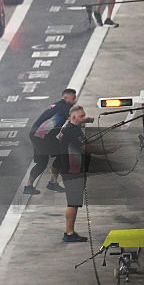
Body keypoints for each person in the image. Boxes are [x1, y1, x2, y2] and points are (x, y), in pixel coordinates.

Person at [23, 88, 77, 195]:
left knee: (43, 161)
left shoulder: (59, 105)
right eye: (72, 97)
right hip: (41, 135)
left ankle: (30, 186)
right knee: (59, 155)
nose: (75, 99)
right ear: (65, 97)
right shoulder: (64, 108)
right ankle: (52, 183)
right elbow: (56, 124)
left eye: (75, 97)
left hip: (37, 134)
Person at [56, 104, 90, 243]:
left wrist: (87, 120)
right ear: (74, 117)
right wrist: (108, 150)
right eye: (82, 116)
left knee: (73, 203)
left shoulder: (68, 127)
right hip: (73, 171)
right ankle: (69, 233)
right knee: (73, 203)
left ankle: (70, 231)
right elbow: (85, 146)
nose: (84, 118)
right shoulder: (72, 131)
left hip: (69, 169)